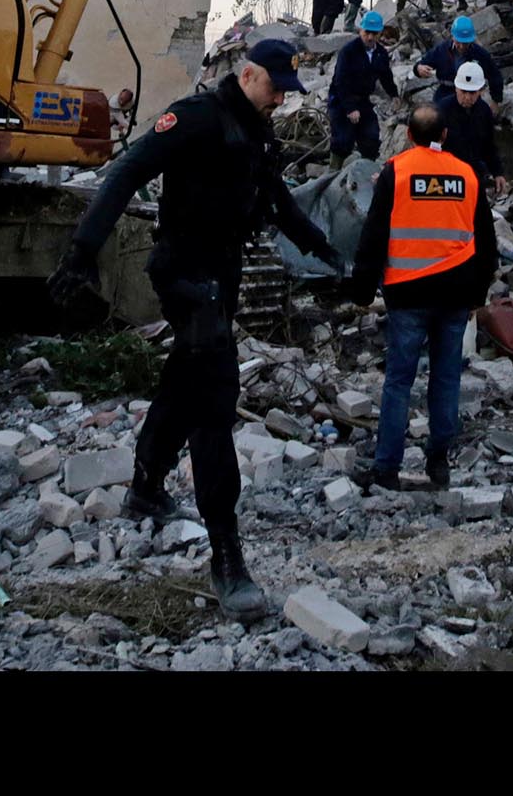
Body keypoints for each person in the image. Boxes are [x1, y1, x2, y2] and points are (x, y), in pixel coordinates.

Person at [50, 39, 339, 619]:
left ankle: (145, 485)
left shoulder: (256, 129)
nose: (281, 99)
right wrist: (84, 250)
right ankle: (226, 553)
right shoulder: (197, 116)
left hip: (222, 275)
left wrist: (326, 251)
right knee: (214, 396)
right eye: (275, 87)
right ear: (248, 73)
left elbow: (277, 198)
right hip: (184, 274)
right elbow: (129, 169)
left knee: (187, 375)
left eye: (288, 91)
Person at [347, 105, 497, 491]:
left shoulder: (396, 171)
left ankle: (387, 470)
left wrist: (363, 288)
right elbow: (487, 242)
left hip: (407, 294)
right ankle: (439, 463)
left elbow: (374, 234)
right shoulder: (467, 174)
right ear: (444, 135)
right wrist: (478, 292)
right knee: (446, 379)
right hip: (455, 294)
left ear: (410, 135)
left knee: (398, 381)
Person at [326, 9, 397, 163]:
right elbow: (340, 82)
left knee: (371, 137)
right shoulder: (348, 52)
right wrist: (350, 108)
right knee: (343, 140)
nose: (370, 37)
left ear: (380, 33)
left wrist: (394, 95)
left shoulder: (381, 54)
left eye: (374, 34)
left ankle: (368, 172)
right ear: (360, 30)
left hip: (363, 100)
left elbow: (386, 76)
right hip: (341, 100)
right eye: (367, 33)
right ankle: (333, 171)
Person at [432, 60, 506, 196]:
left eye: (472, 93)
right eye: (463, 92)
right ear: (456, 88)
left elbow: (489, 145)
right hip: (446, 174)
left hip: (473, 170)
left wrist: (498, 173)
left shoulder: (484, 111)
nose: (467, 97)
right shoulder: (441, 110)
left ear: (481, 91)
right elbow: (431, 148)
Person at [415, 15, 505, 105]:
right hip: (446, 92)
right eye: (458, 42)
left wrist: (496, 100)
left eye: (465, 43)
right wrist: (419, 68)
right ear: (452, 36)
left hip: (470, 94)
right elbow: (423, 63)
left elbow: (495, 76)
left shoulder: (480, 54)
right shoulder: (442, 49)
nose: (461, 46)